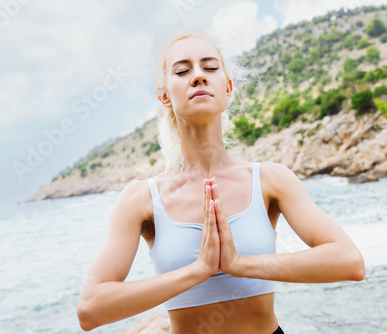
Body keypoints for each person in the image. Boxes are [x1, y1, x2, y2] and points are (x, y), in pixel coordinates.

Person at [76, 32, 366, 333]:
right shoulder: (141, 199)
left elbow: (349, 261)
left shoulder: (270, 180)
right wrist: (198, 270)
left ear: (227, 89)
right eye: (183, 70)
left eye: (210, 68)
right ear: (165, 96)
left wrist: (240, 264)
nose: (199, 77)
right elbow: (90, 310)